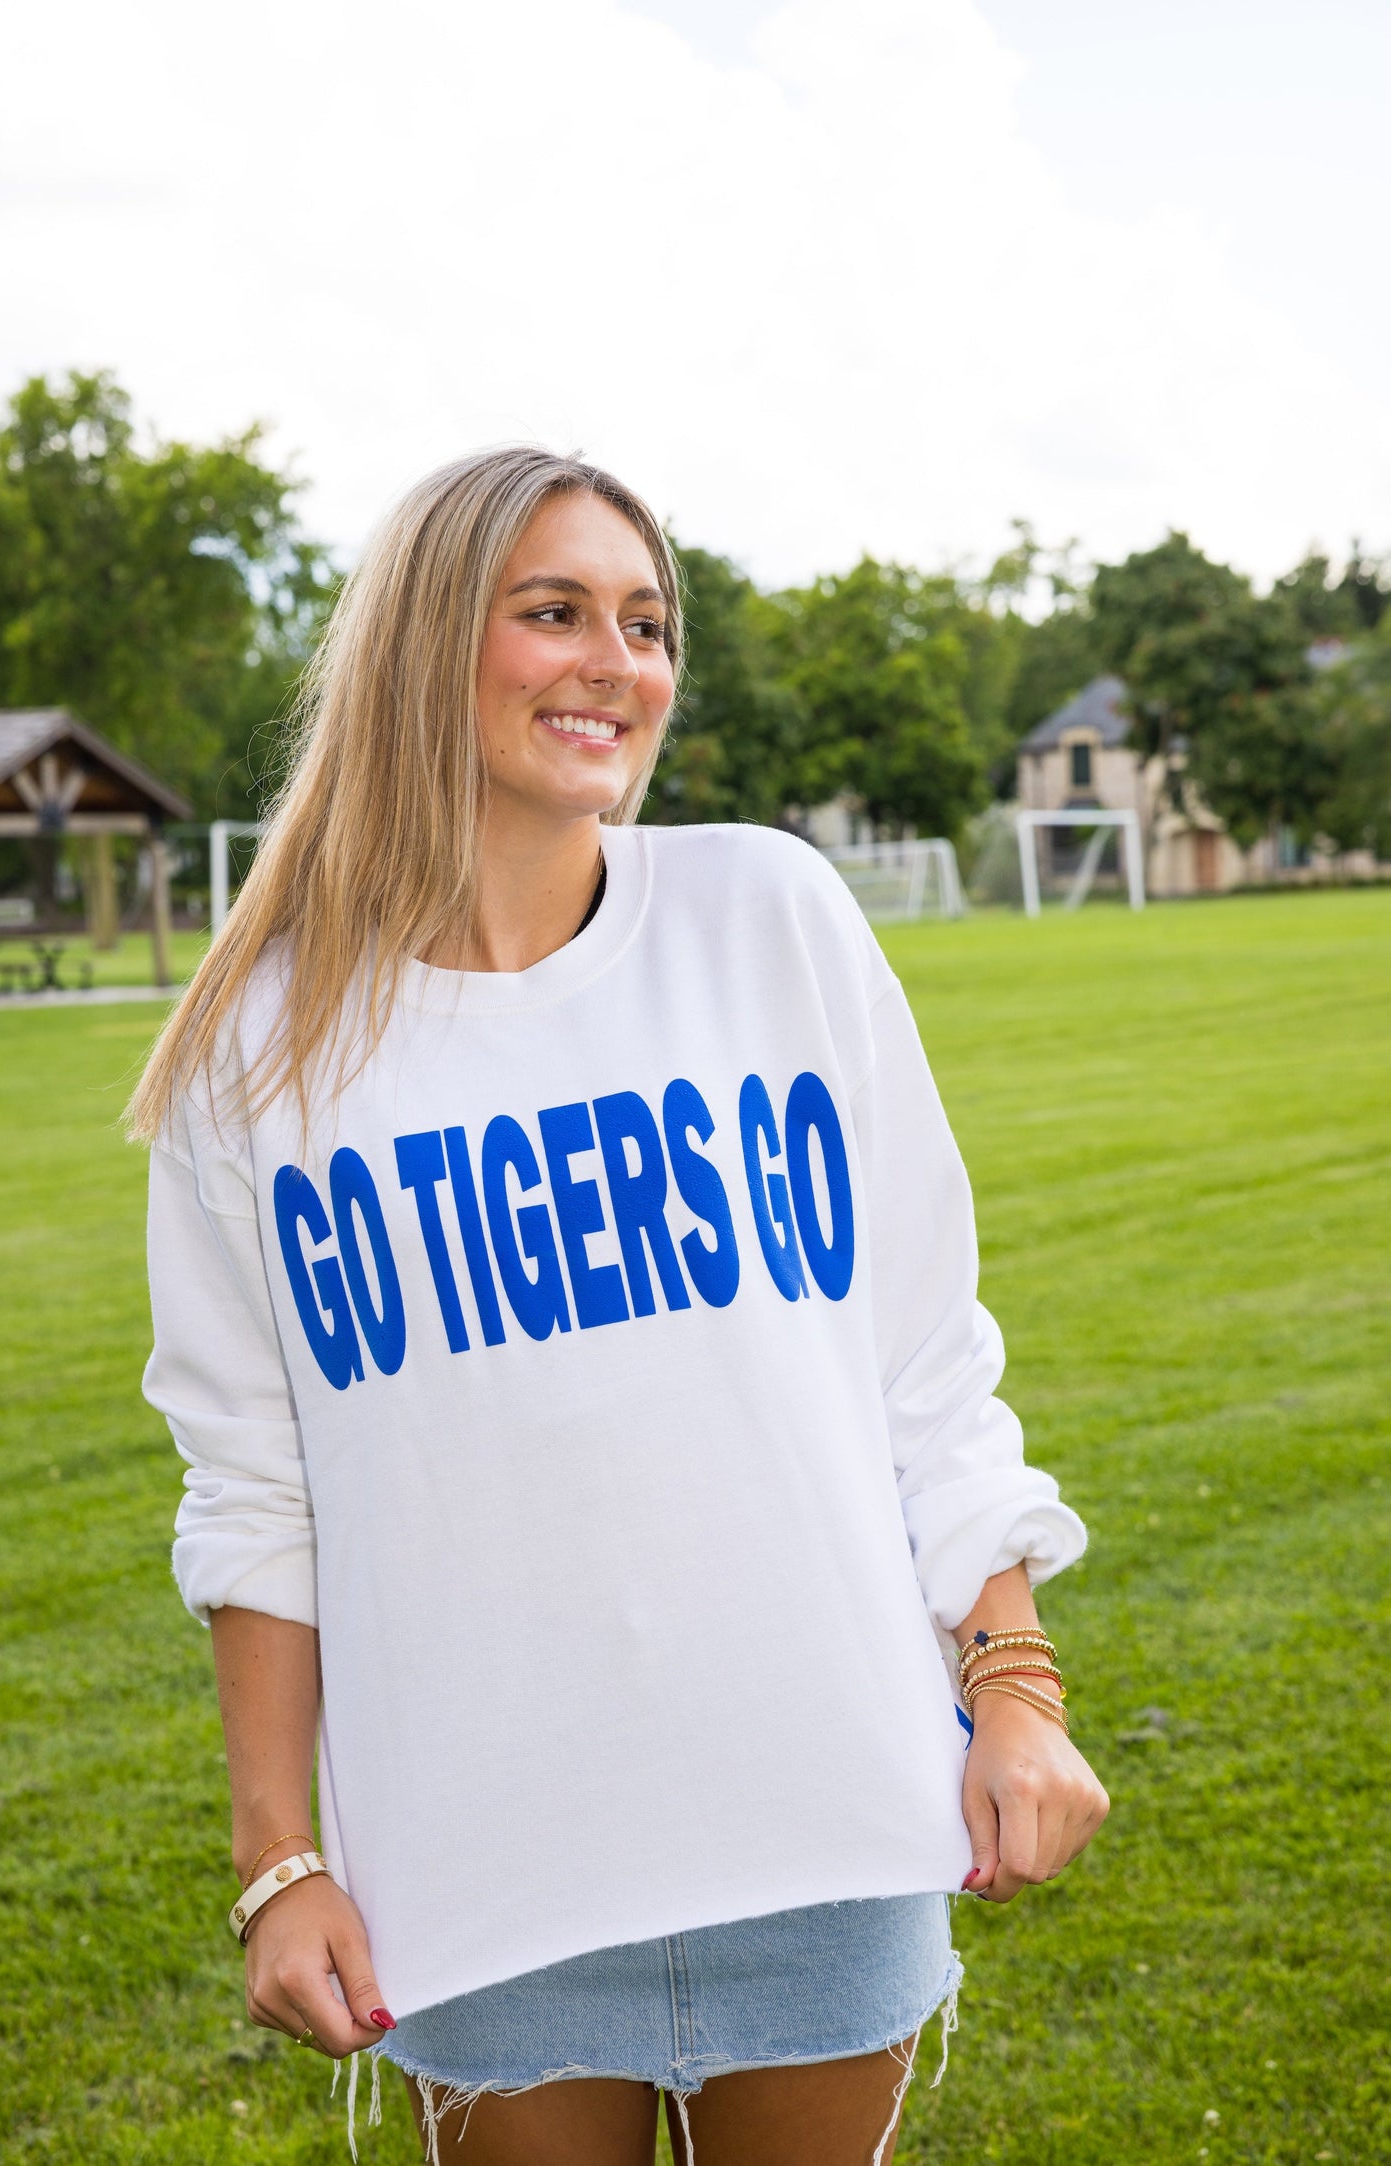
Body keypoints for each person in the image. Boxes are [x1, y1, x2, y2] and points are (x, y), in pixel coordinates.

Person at [131, 447, 1109, 2166]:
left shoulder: (768, 918)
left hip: (820, 1814)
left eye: (647, 622)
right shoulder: (257, 1052)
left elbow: (922, 1368)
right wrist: (279, 1855)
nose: (617, 661)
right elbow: (252, 1494)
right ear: (432, 643)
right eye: (556, 612)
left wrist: (1013, 1683)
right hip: (487, 1865)